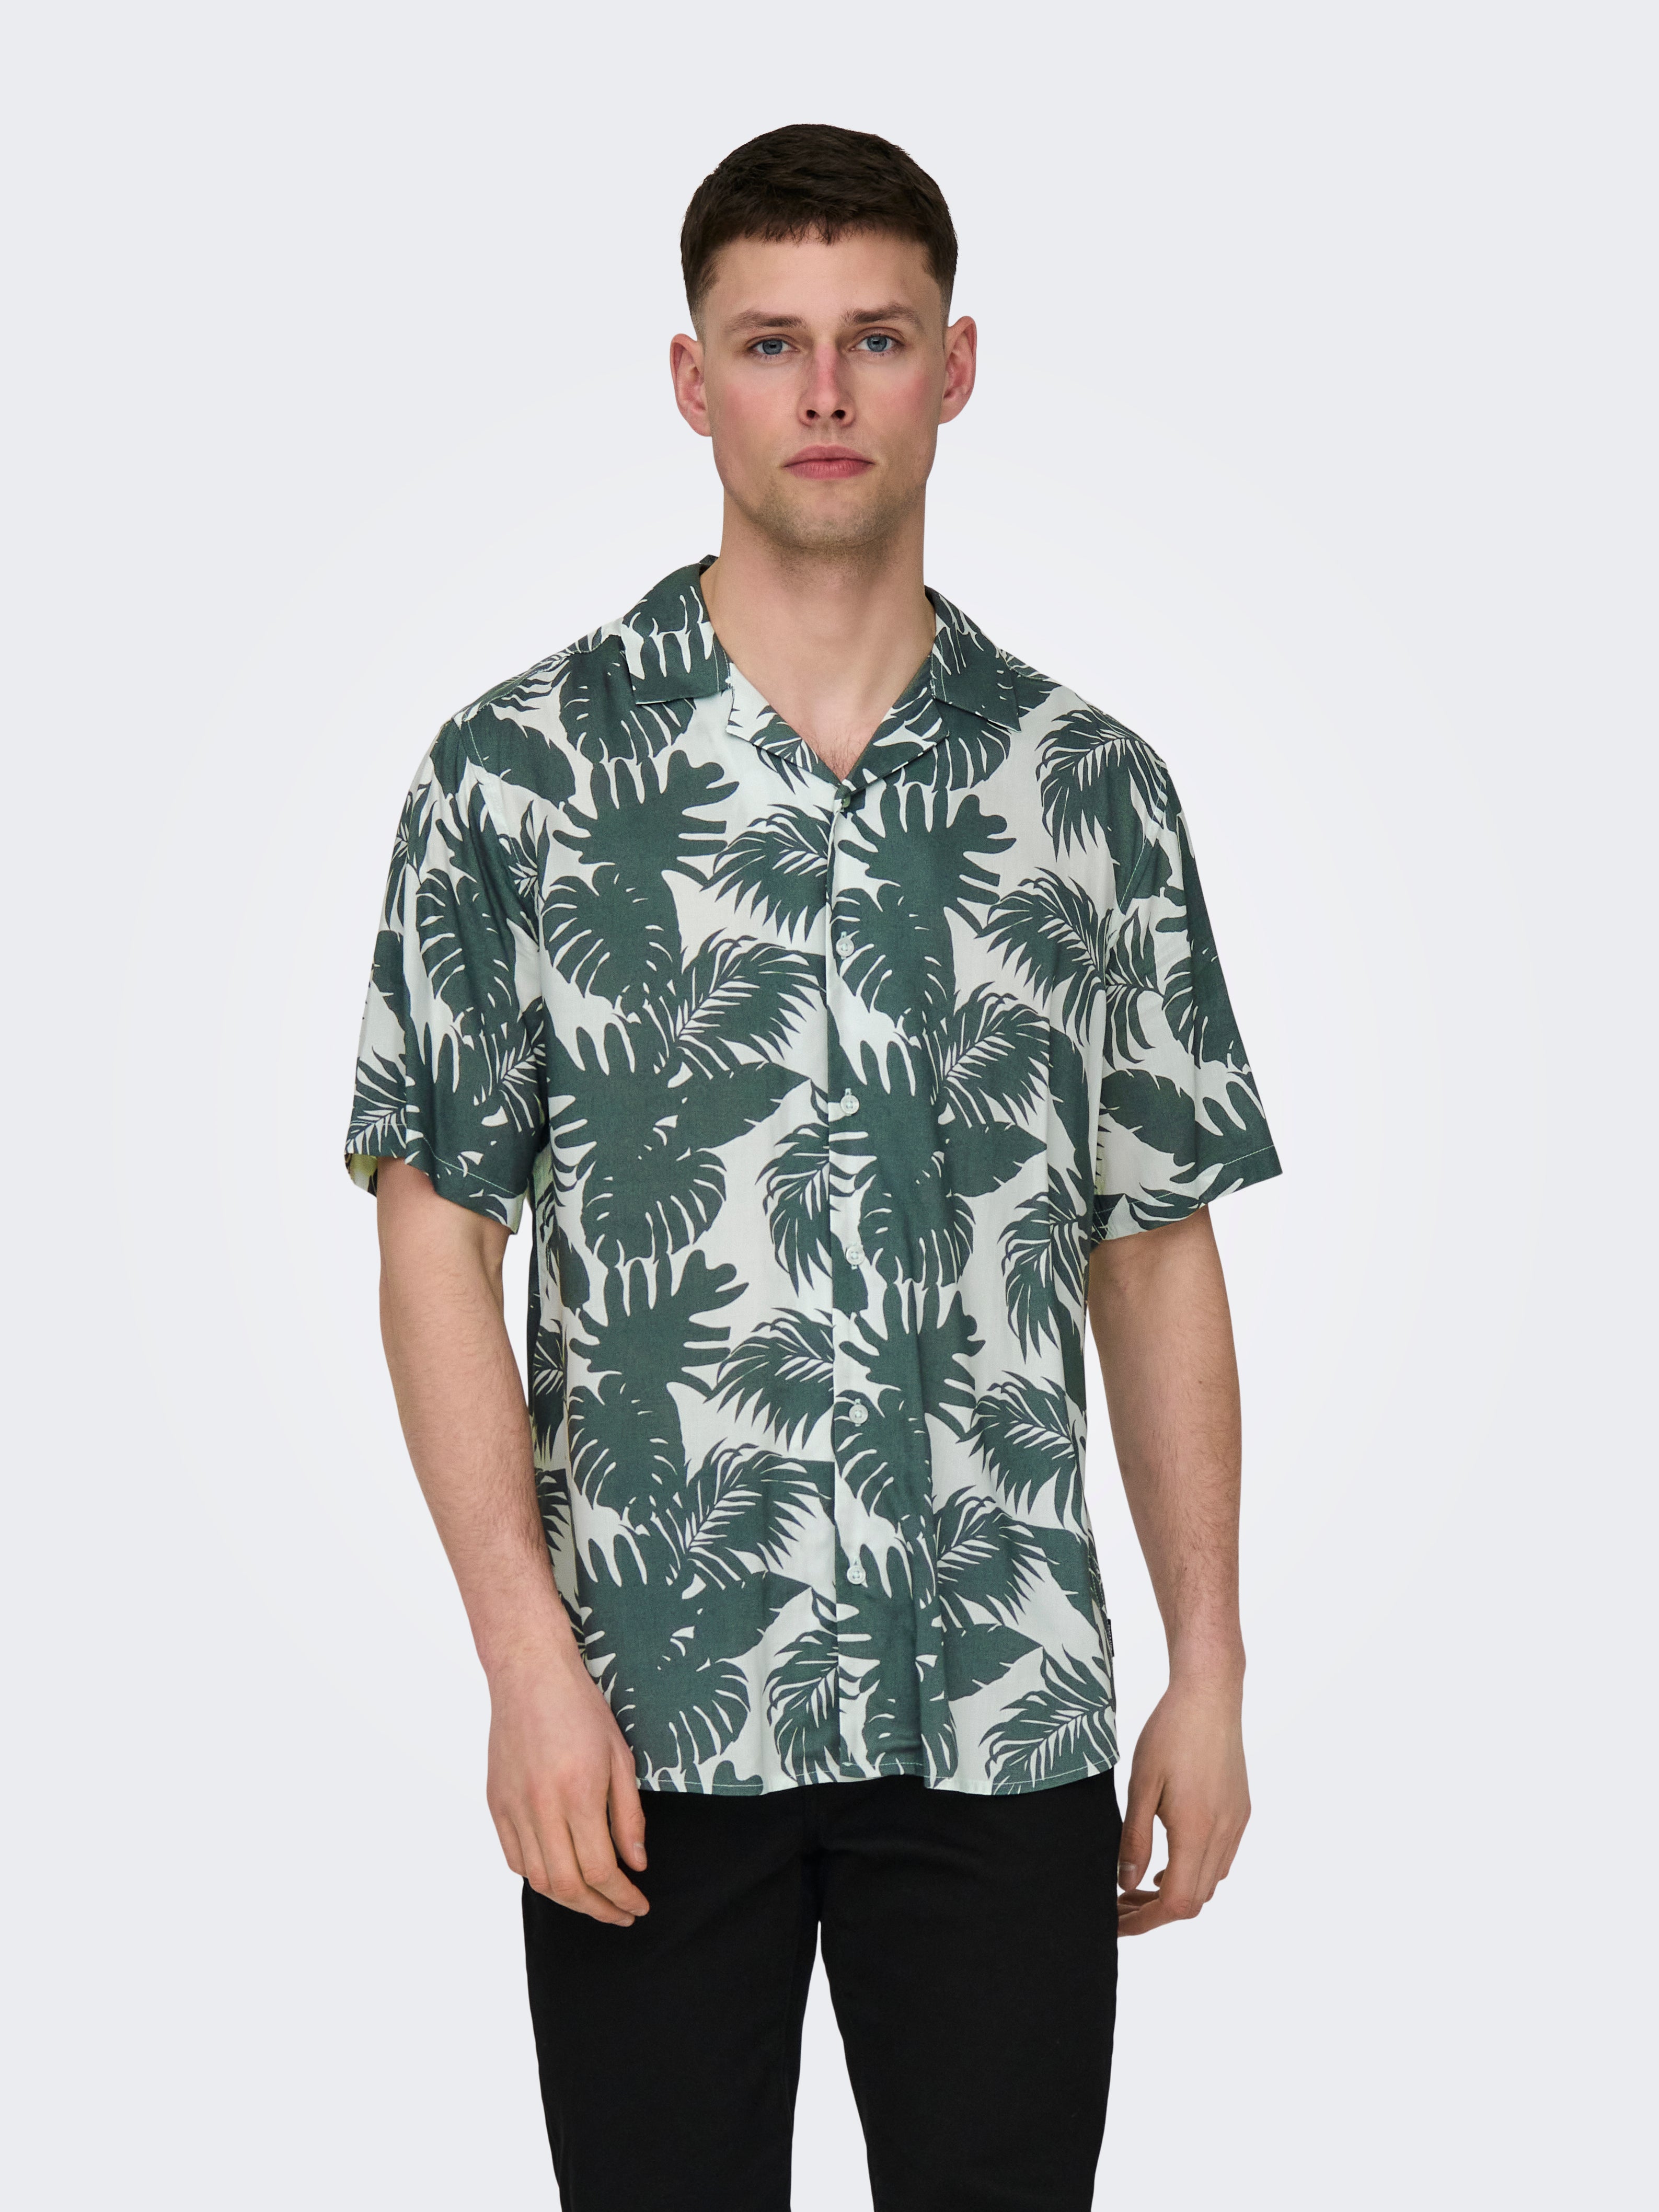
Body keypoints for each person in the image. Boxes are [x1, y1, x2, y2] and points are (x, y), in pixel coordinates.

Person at [345, 122, 1281, 2212]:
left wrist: (1208, 1665)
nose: (827, 390)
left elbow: (1153, 1244)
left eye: (877, 336)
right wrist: (522, 1668)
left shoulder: (1089, 789)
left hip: (1004, 1705)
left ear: (957, 365)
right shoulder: (519, 775)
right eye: (771, 342)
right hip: (644, 1717)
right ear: (694, 382)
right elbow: (436, 1238)